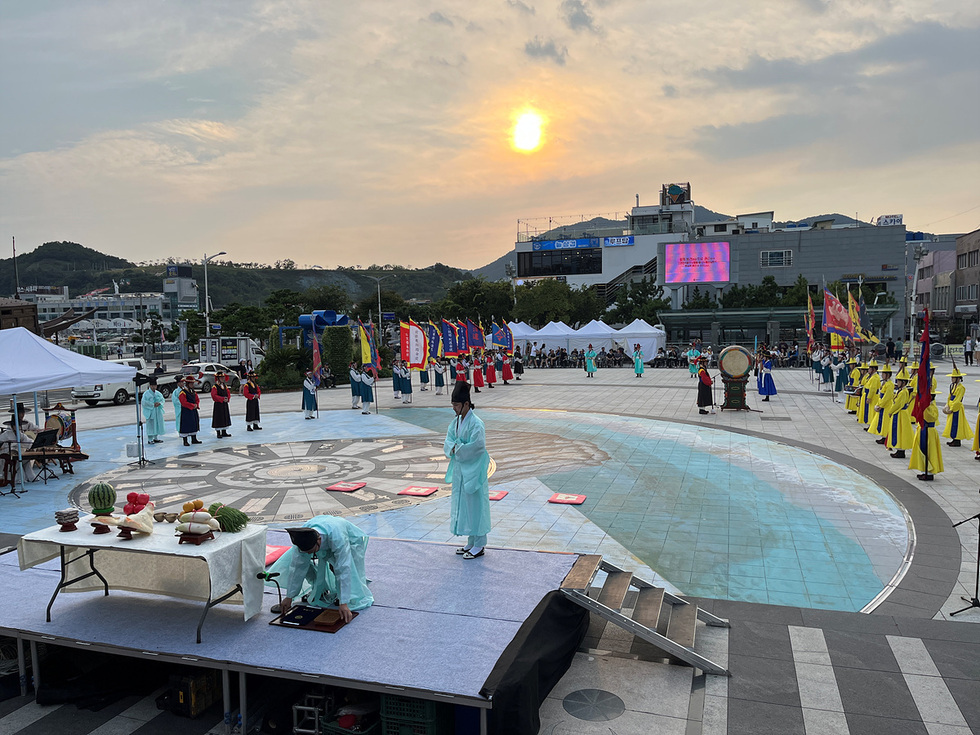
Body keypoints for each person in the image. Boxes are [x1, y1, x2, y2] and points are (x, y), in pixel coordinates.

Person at [270, 516, 373, 622]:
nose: (309, 554)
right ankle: (320, 589)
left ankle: (347, 595)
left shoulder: (338, 538)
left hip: (351, 540)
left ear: (319, 540)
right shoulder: (302, 537)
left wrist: (344, 602)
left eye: (311, 550)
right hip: (325, 540)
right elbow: (297, 568)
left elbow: (343, 569)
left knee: (345, 569)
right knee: (299, 560)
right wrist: (289, 597)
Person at [444, 382, 491, 560]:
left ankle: (480, 543)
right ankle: (471, 540)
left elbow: (478, 446)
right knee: (466, 505)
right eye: (453, 405)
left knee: (476, 505)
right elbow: (449, 439)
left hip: (473, 470)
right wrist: (455, 447)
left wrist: (458, 448)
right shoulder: (456, 422)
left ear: (466, 404)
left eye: (456, 405)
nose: (454, 408)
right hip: (461, 470)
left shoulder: (477, 423)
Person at [909, 391, 943, 480]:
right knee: (922, 450)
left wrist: (925, 407)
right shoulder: (927, 406)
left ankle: (930, 472)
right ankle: (924, 470)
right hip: (923, 429)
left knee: (930, 451)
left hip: (929, 431)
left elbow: (929, 417)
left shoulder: (932, 407)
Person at [941, 366, 973, 447]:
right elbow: (949, 396)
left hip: (957, 408)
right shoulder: (953, 386)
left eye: (953, 377)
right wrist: (947, 405)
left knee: (957, 424)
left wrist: (952, 408)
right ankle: (954, 439)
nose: (952, 379)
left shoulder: (961, 388)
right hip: (952, 407)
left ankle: (957, 440)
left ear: (958, 378)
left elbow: (958, 399)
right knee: (952, 424)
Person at [887, 368, 914, 459]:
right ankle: (899, 450)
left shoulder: (903, 392)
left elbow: (898, 404)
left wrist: (891, 411)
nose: (897, 383)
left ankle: (901, 451)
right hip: (900, 413)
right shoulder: (901, 391)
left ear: (903, 382)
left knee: (901, 432)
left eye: (898, 381)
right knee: (899, 432)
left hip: (900, 413)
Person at [871, 364, 894, 444]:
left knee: (885, 422)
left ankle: (885, 436)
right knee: (882, 421)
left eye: (883, 374)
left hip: (887, 405)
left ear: (888, 375)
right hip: (883, 404)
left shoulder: (890, 384)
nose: (882, 375)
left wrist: (881, 405)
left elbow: (886, 397)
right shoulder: (885, 383)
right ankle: (883, 436)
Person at [178, 376, 203, 446]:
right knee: (186, 424)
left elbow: (197, 399)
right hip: (186, 411)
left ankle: (194, 439)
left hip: (193, 411)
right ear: (187, 384)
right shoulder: (183, 392)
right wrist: (192, 405)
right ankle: (185, 440)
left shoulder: (193, 392)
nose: (192, 385)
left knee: (194, 423)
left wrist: (196, 405)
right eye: (191, 384)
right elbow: (183, 402)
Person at [141, 378, 165, 444]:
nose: (154, 387)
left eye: (155, 385)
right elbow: (144, 402)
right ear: (150, 386)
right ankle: (150, 439)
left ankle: (156, 437)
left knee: (157, 424)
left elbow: (162, 399)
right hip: (151, 412)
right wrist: (152, 404)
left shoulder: (158, 393)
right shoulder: (146, 394)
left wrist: (159, 403)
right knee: (150, 425)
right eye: (152, 386)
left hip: (157, 411)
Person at [210, 372, 233, 438]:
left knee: (224, 417)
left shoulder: (224, 386)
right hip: (218, 405)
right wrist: (222, 399)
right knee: (219, 418)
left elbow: (228, 393)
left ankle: (224, 431)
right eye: (221, 377)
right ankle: (218, 432)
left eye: (223, 377)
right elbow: (214, 396)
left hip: (224, 404)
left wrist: (227, 398)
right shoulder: (215, 387)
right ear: (218, 378)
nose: (223, 378)